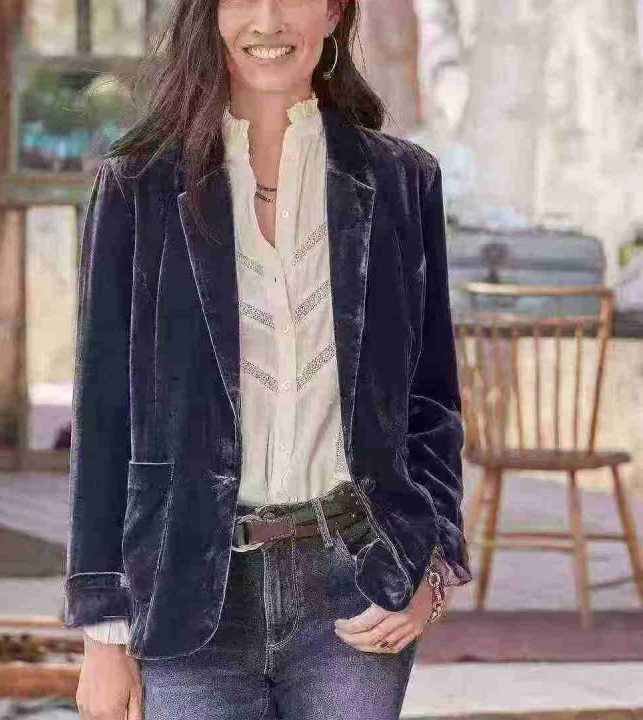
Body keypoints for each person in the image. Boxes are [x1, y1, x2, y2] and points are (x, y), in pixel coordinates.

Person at [63, 0, 473, 718]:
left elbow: (430, 399)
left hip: (357, 584)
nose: (269, 20)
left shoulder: (402, 181)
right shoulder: (136, 187)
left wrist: (428, 564)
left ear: (334, 11)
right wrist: (104, 632)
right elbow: (104, 415)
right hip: (186, 592)